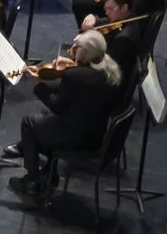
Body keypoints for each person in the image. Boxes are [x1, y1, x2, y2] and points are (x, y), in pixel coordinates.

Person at [8, 29, 124, 197]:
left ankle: (32, 180)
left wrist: (39, 85)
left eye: (77, 48)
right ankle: (49, 172)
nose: (74, 51)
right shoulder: (109, 70)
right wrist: (47, 79)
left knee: (29, 123)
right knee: (45, 119)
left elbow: (57, 105)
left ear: (85, 52)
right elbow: (74, 91)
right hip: (95, 136)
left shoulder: (76, 76)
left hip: (75, 138)